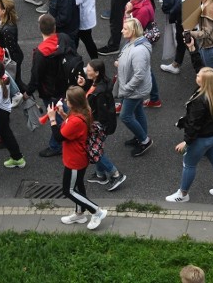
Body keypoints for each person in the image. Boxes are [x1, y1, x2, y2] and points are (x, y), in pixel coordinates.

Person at [166, 67, 213, 203]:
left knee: (188, 164)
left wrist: (186, 142)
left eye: (199, 76)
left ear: (205, 82)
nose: (196, 75)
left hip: (202, 138)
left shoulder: (199, 101)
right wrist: (193, 51)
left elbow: (194, 124)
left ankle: (183, 194)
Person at [48, 87, 108, 230]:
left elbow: (59, 136)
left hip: (74, 160)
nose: (65, 101)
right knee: (78, 186)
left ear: (73, 103)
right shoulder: (82, 112)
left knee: (68, 190)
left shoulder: (76, 119)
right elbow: (69, 128)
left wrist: (52, 119)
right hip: (79, 158)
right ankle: (80, 213)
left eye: (67, 100)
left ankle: (96, 211)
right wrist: (62, 114)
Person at [24, 14, 72, 157]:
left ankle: (57, 144)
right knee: (63, 111)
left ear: (40, 29)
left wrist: (28, 92)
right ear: (55, 27)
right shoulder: (64, 38)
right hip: (66, 84)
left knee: (56, 117)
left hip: (50, 90)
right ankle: (65, 136)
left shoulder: (41, 52)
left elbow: (36, 75)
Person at [80, 60, 126, 191]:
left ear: (96, 73)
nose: (86, 71)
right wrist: (84, 85)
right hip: (102, 124)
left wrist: (93, 126)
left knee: (94, 151)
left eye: (88, 70)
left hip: (98, 125)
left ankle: (116, 174)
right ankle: (101, 175)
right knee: (96, 148)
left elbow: (100, 113)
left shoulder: (99, 92)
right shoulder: (100, 83)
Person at [117, 18, 154, 157]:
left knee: (125, 116)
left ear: (133, 31)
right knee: (138, 111)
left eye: (125, 29)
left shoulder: (139, 51)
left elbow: (139, 75)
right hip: (136, 88)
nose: (122, 31)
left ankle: (145, 140)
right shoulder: (132, 43)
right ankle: (140, 136)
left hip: (134, 89)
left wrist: (126, 89)